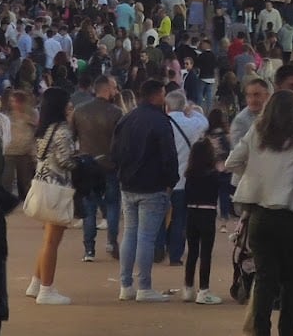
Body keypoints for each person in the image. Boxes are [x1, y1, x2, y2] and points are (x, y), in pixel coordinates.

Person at [226, 89, 293, 336]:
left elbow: (231, 163)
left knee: (265, 279)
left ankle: (260, 330)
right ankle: (287, 331)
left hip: (260, 217)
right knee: (292, 281)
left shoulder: (257, 133)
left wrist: (254, 176)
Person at [111, 78, 179, 303]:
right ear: (157, 95)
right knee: (146, 237)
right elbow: (169, 155)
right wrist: (171, 181)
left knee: (130, 233)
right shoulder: (160, 121)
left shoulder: (126, 118)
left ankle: (125, 285)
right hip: (153, 185)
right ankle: (145, 286)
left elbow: (114, 152)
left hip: (127, 184)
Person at [24, 87, 79, 305]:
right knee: (52, 241)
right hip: (58, 188)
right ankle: (46, 289)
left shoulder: (44, 129)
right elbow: (66, 161)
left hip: (43, 185)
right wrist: (83, 162)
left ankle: (37, 283)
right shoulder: (63, 130)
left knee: (47, 239)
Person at [71, 74, 123, 261]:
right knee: (112, 205)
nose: (116, 91)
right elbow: (121, 142)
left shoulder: (79, 110)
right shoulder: (117, 112)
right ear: (107, 89)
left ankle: (89, 250)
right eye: (114, 87)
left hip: (86, 164)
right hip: (109, 165)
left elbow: (72, 137)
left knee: (89, 207)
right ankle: (111, 242)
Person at [160, 89, 209, 265]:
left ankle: (158, 250)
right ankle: (175, 256)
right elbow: (204, 122)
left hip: (162, 180)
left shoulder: (161, 123)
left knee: (159, 217)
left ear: (166, 106)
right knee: (180, 219)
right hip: (184, 180)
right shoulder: (193, 124)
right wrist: (192, 110)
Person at [182, 137, 224, 305]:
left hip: (192, 212)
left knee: (192, 252)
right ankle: (204, 290)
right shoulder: (213, 175)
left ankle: (188, 287)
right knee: (205, 253)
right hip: (207, 213)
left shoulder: (189, 174)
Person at [3, 90, 38, 199]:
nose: (13, 103)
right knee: (7, 180)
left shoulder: (31, 113)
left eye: (15, 101)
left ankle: (26, 202)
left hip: (25, 152)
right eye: (12, 101)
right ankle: (7, 201)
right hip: (10, 151)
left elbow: (37, 128)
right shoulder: (8, 115)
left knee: (25, 182)